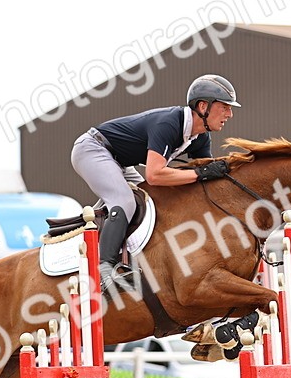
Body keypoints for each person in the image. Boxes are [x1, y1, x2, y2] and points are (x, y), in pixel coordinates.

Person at [71, 74, 241, 291]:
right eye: (225, 107)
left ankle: (129, 255)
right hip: (93, 148)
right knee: (125, 201)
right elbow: (155, 175)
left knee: (151, 203)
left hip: (119, 161)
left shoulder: (201, 138)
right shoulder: (169, 123)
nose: (230, 113)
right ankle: (104, 270)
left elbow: (206, 179)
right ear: (203, 106)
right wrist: (200, 173)